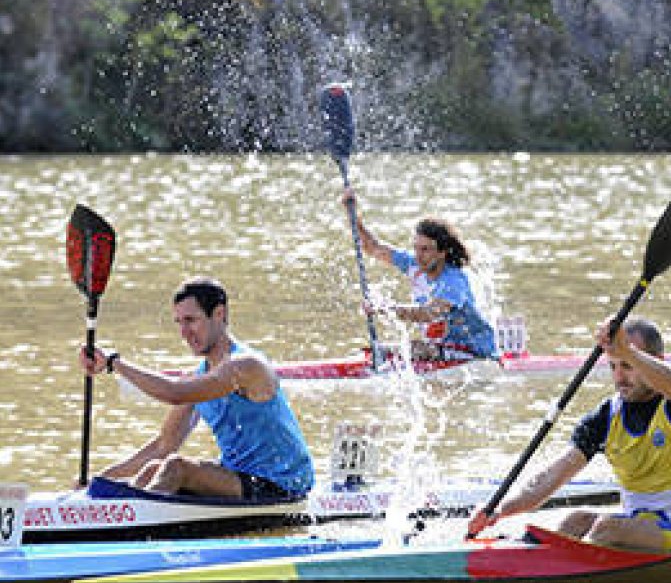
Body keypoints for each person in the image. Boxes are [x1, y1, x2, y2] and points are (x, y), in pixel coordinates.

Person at [467, 316, 671, 551]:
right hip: (638, 529)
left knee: (606, 528)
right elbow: (552, 476)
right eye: (613, 366)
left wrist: (628, 351)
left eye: (628, 365)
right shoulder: (606, 416)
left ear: (658, 361)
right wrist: (499, 510)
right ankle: (534, 565)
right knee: (574, 521)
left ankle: (566, 575)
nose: (619, 377)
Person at [77, 276, 314, 499]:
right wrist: (101, 479)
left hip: (283, 484)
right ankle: (107, 513)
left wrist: (113, 362)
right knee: (153, 469)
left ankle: (129, 527)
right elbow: (163, 445)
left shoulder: (247, 366)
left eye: (191, 320)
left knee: (176, 467)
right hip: (241, 479)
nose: (183, 333)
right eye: (179, 322)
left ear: (219, 314)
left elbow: (174, 393)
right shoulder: (199, 377)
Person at [341, 189, 497, 361]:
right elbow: (373, 248)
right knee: (377, 351)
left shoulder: (453, 281)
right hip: (441, 348)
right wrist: (353, 215)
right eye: (416, 248)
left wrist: (385, 308)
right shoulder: (413, 264)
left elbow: (428, 314)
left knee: (401, 352)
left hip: (475, 352)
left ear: (442, 252)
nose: (418, 255)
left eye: (425, 249)